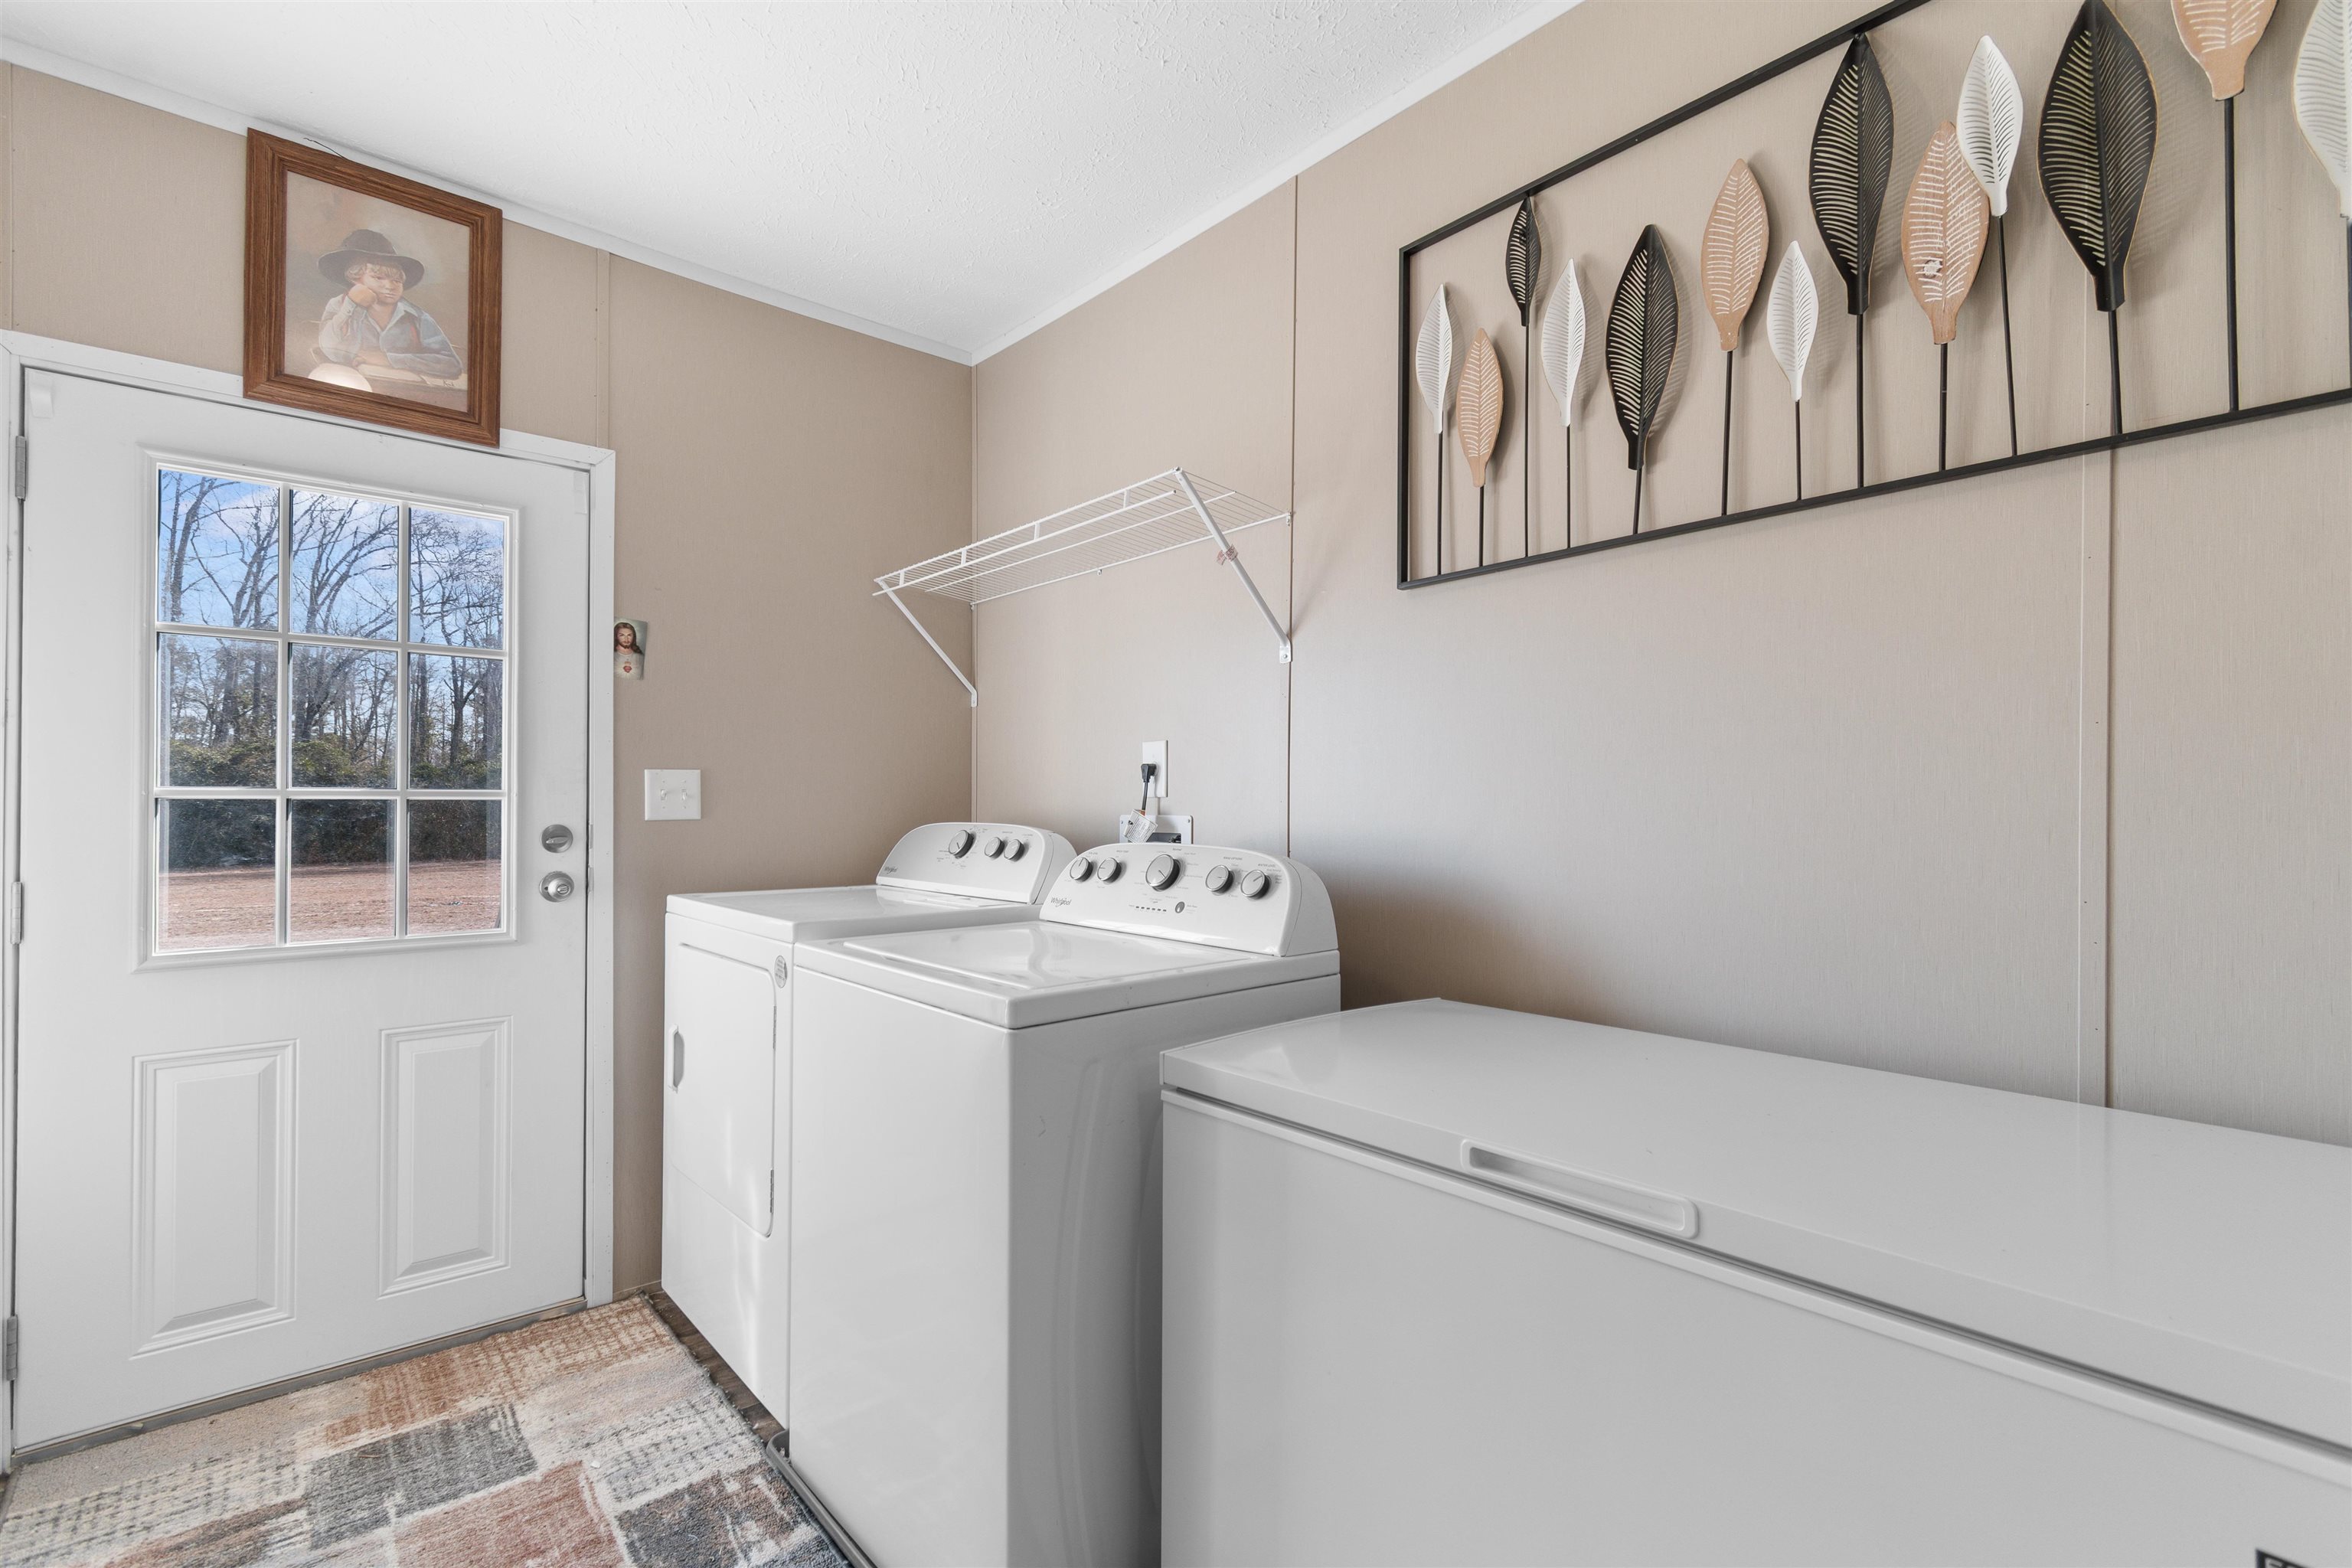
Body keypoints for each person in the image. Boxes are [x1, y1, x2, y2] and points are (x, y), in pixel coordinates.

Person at [314, 229, 463, 381]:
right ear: (356, 279)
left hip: (405, 389)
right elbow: (330, 351)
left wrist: (388, 359)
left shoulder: (417, 317)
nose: (390, 286)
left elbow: (451, 365)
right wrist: (351, 304)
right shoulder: (339, 305)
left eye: (397, 281)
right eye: (378, 278)